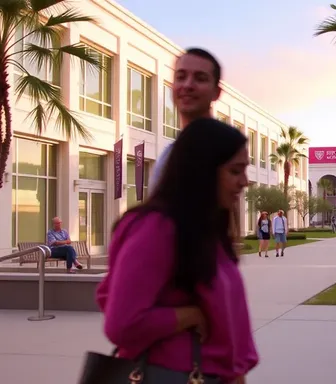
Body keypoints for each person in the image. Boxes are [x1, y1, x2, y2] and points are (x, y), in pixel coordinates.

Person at [96, 118, 257, 383]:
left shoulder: (205, 231)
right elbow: (121, 324)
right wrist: (186, 315)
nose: (244, 181)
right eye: (235, 171)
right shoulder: (156, 229)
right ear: (204, 171)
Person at [148, 47, 223, 192]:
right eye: (181, 77)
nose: (188, 85)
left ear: (216, 92)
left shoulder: (225, 152)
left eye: (200, 78)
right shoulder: (168, 157)